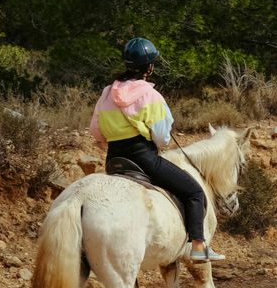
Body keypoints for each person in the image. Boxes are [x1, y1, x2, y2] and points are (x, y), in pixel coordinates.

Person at [90, 38, 224, 263]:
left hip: (114, 159)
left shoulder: (106, 93)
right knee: (194, 192)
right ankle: (199, 247)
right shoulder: (150, 95)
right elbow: (162, 139)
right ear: (149, 67)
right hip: (143, 158)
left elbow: (96, 131)